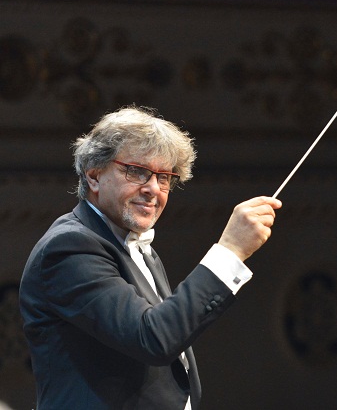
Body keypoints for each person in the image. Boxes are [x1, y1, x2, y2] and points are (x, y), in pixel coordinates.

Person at [19, 106, 282, 409]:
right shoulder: (69, 247)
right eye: (137, 171)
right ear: (94, 176)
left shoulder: (135, 244)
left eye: (164, 177)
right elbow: (153, 338)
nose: (153, 189)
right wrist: (230, 249)